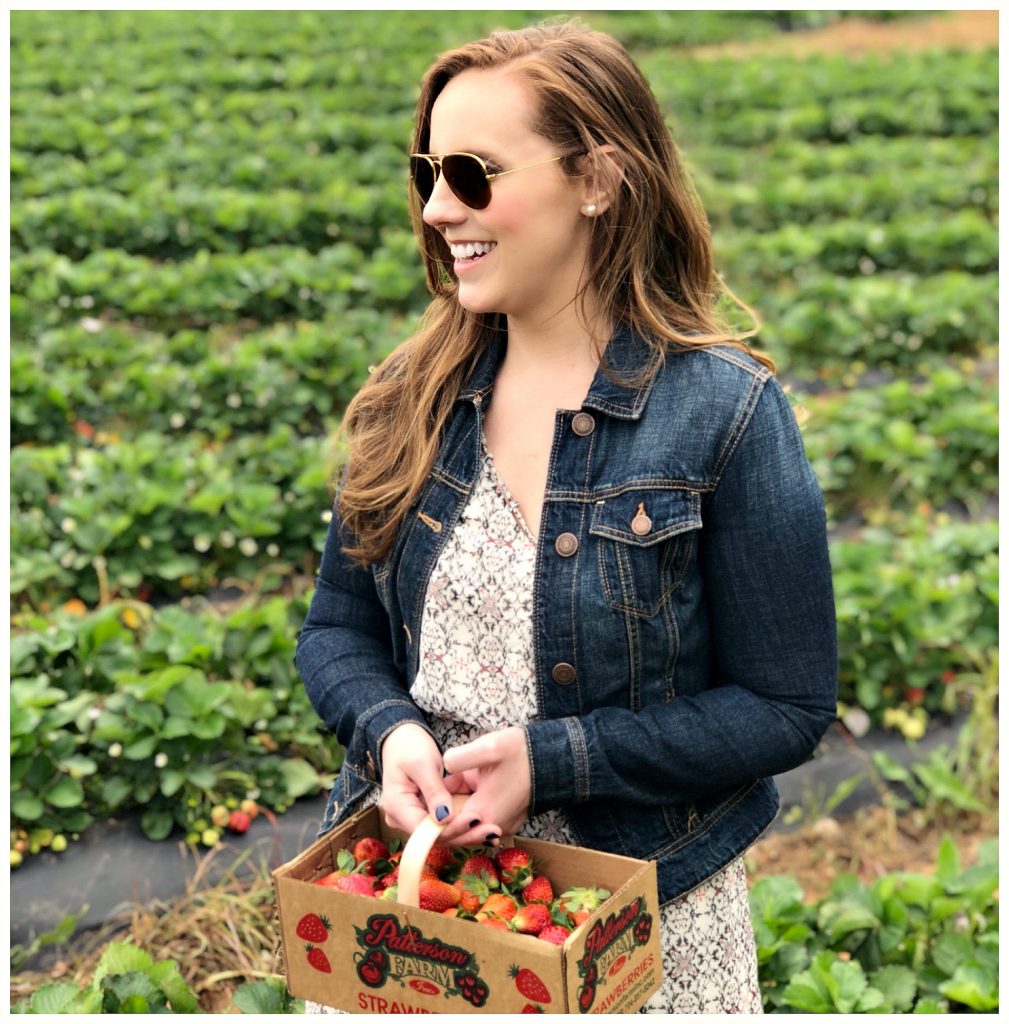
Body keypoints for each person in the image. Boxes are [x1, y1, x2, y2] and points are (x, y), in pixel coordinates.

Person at [296, 19, 837, 1014]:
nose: (435, 207)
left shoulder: (725, 414)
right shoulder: (404, 398)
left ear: (596, 179)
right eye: (426, 173)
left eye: (472, 172)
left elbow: (787, 704)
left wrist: (556, 758)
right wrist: (390, 733)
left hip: (638, 921)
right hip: (423, 916)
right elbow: (337, 625)